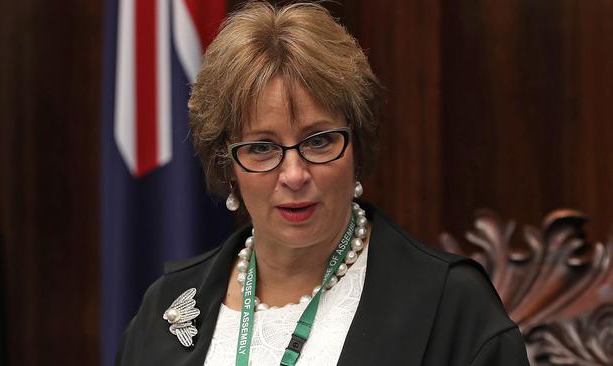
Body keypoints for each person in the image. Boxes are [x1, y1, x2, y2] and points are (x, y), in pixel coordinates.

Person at [115, 2, 530, 365]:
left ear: (356, 149)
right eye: (262, 148)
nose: (294, 175)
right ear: (228, 167)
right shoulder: (165, 307)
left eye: (318, 141)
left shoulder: (452, 307)